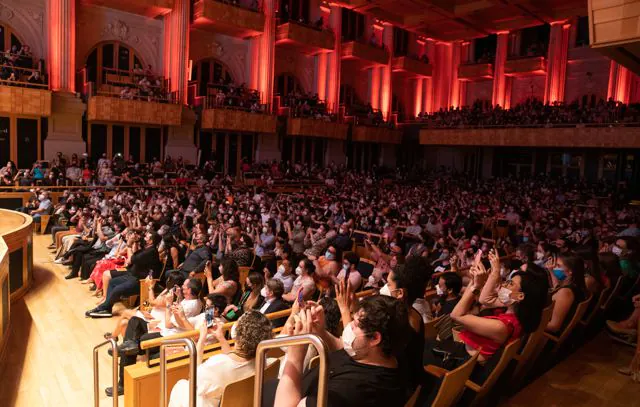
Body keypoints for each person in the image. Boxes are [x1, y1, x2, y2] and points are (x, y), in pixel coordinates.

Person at [269, 295, 411, 407]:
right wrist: (320, 330)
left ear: (375, 338)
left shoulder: (349, 392)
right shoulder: (379, 355)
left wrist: (295, 356)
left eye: (355, 324)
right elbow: (341, 348)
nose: (348, 325)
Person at [169, 311, 274, 407]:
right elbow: (234, 359)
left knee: (182, 385)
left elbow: (192, 377)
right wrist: (220, 337)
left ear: (237, 333)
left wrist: (201, 339)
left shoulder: (217, 363)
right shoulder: (263, 360)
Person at [85, 231, 161, 318]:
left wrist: (129, 245)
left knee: (117, 289)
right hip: (132, 275)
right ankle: (107, 309)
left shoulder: (151, 252)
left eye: (147, 237)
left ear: (151, 241)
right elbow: (136, 255)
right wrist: (135, 242)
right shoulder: (147, 248)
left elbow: (132, 259)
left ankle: (102, 308)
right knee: (112, 282)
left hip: (140, 281)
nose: (144, 237)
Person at [546, 255, 587, 335]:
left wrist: (530, 323)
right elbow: (557, 286)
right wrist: (550, 271)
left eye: (558, 265)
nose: (554, 267)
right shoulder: (574, 282)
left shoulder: (566, 293)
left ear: (570, 271)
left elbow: (554, 327)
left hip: (547, 336)